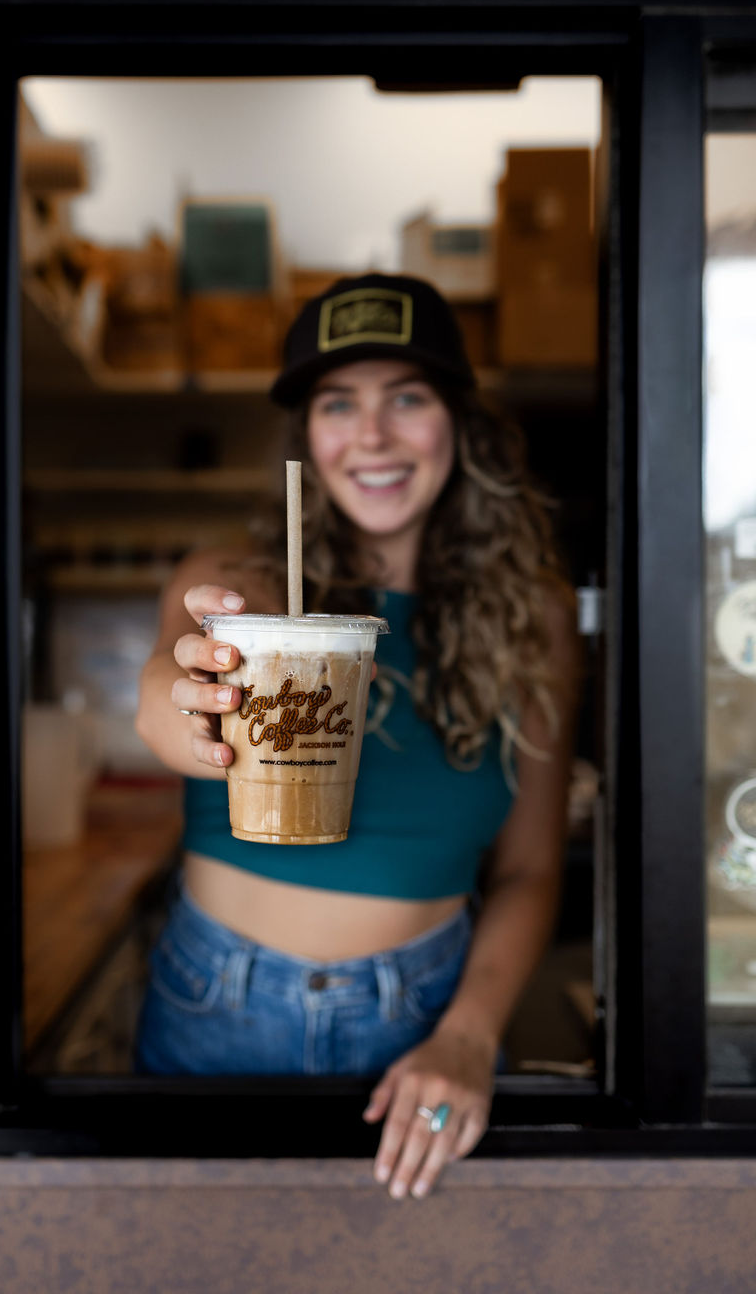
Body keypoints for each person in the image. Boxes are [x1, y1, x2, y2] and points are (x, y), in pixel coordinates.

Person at [134, 272, 579, 1198]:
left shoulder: (532, 612)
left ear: (457, 421)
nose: (372, 436)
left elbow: (533, 867)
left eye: (406, 398)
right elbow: (164, 699)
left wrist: (468, 1034)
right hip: (216, 994)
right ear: (307, 437)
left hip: (424, 1012)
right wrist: (198, 710)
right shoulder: (234, 579)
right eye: (340, 404)